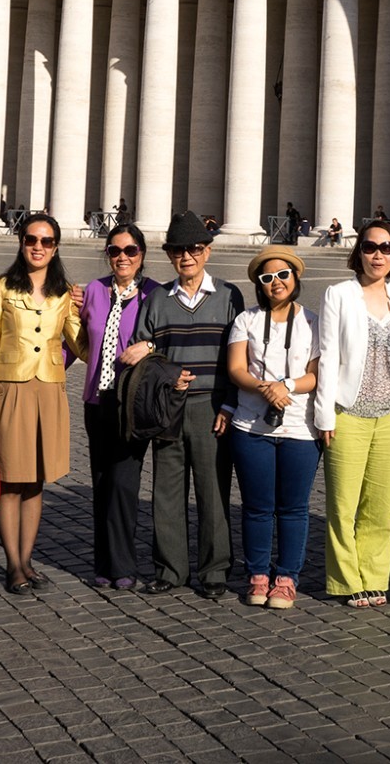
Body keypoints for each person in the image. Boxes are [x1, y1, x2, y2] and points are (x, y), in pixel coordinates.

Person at [123, 211, 243, 598]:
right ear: (169, 255)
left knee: (213, 490)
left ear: (207, 251)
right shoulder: (157, 300)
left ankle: (215, 570)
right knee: (167, 490)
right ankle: (170, 569)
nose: (186, 257)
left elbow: (240, 357)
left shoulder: (228, 296)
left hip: (212, 405)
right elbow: (142, 354)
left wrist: (229, 405)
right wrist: (165, 369)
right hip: (168, 406)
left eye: (194, 249)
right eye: (178, 250)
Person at [0, 212, 84, 596]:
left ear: (56, 248)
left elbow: (80, 345)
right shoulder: (1, 286)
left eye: (47, 241)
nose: (38, 247)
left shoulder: (65, 293)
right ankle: (12, 565)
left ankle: (28, 559)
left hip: (49, 390)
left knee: (36, 480)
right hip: (10, 388)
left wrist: (90, 311)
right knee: (10, 479)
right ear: (21, 243)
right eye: (31, 240)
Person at [312, 219, 390, 607]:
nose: (378, 255)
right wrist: (325, 416)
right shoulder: (339, 294)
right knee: (342, 504)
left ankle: (373, 576)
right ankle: (346, 580)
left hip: (389, 412)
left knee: (382, 506)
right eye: (371, 247)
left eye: (386, 248)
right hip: (347, 410)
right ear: (359, 251)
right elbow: (328, 356)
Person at [226, 244, 320, 610]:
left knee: (294, 507)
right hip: (251, 426)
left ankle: (287, 577)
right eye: (267, 277)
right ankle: (258, 574)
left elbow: (316, 374)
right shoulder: (245, 320)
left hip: (299, 427)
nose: (276, 282)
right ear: (259, 285)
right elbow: (236, 369)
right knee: (257, 507)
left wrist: (287, 387)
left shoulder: (313, 320)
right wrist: (266, 388)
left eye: (283, 275)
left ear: (296, 279)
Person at [78, 223, 161, 590]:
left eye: (130, 251)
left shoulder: (155, 294)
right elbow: (74, 342)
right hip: (97, 400)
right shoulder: (93, 291)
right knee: (101, 481)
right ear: (107, 254)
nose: (122, 257)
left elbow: (166, 337)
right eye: (115, 251)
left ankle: (124, 565)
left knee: (125, 483)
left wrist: (151, 347)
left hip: (132, 403)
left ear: (141, 255)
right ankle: (104, 563)